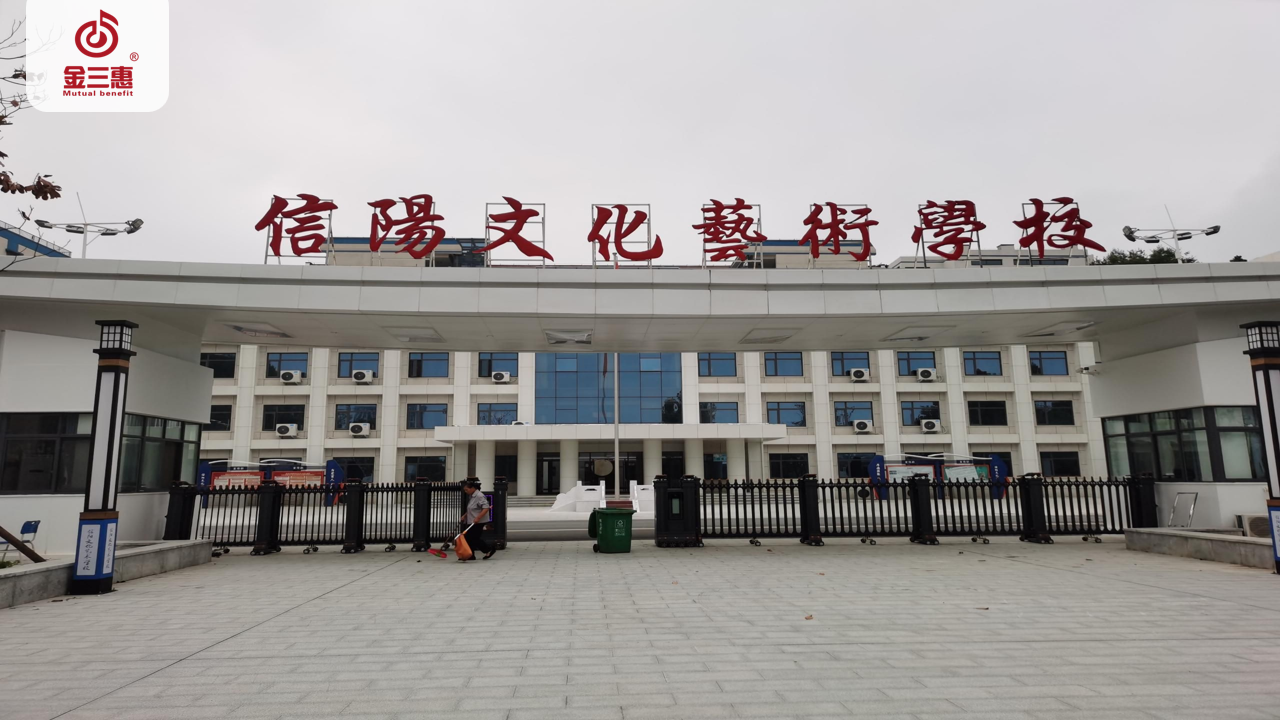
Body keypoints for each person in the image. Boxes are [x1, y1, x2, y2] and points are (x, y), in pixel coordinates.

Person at [459, 480, 495, 561]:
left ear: (472, 488)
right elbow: (472, 508)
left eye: (466, 490)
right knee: (469, 538)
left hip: (478, 521)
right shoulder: (472, 496)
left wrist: (478, 518)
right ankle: (470, 555)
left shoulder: (479, 496)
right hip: (472, 520)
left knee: (473, 538)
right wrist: (465, 515)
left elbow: (486, 508)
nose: (465, 491)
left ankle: (488, 549)